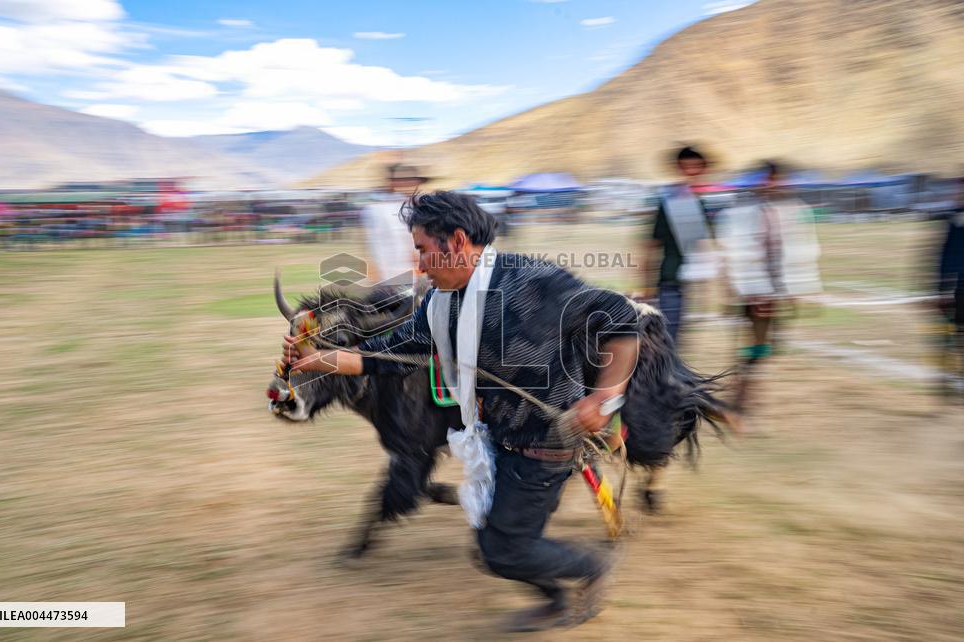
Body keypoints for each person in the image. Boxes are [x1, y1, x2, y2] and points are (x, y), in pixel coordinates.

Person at [283, 191, 639, 631]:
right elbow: (382, 354)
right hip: (498, 440)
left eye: (422, 250)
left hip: (547, 441)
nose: (419, 264)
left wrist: (605, 399)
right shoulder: (439, 304)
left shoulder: (535, 282)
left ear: (454, 242)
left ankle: (591, 568)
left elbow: (623, 322)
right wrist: (318, 358)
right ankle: (556, 593)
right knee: (496, 544)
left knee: (503, 549)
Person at [718, 160, 821, 415]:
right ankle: (745, 396)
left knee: (770, 346)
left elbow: (801, 251)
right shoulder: (742, 212)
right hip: (754, 291)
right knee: (757, 344)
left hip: (779, 291)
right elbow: (732, 252)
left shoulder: (792, 210)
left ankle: (743, 384)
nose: (773, 184)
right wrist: (741, 290)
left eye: (777, 179)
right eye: (768, 179)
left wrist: (802, 288)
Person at [638, 145, 717, 344]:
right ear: (679, 168)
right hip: (670, 281)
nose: (692, 172)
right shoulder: (668, 203)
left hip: (690, 281)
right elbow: (650, 245)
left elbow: (704, 246)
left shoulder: (702, 203)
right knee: (667, 342)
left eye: (697, 167)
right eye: (687, 167)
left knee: (676, 341)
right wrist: (646, 287)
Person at [360, 163, 427, 288]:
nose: (411, 185)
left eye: (413, 181)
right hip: (391, 277)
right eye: (405, 181)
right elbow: (372, 246)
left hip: (414, 276)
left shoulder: (416, 208)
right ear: (393, 183)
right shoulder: (377, 210)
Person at [934, 175, 964, 396]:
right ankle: (948, 384)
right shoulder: (954, 218)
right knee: (951, 337)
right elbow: (944, 256)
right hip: (959, 291)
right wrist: (940, 291)